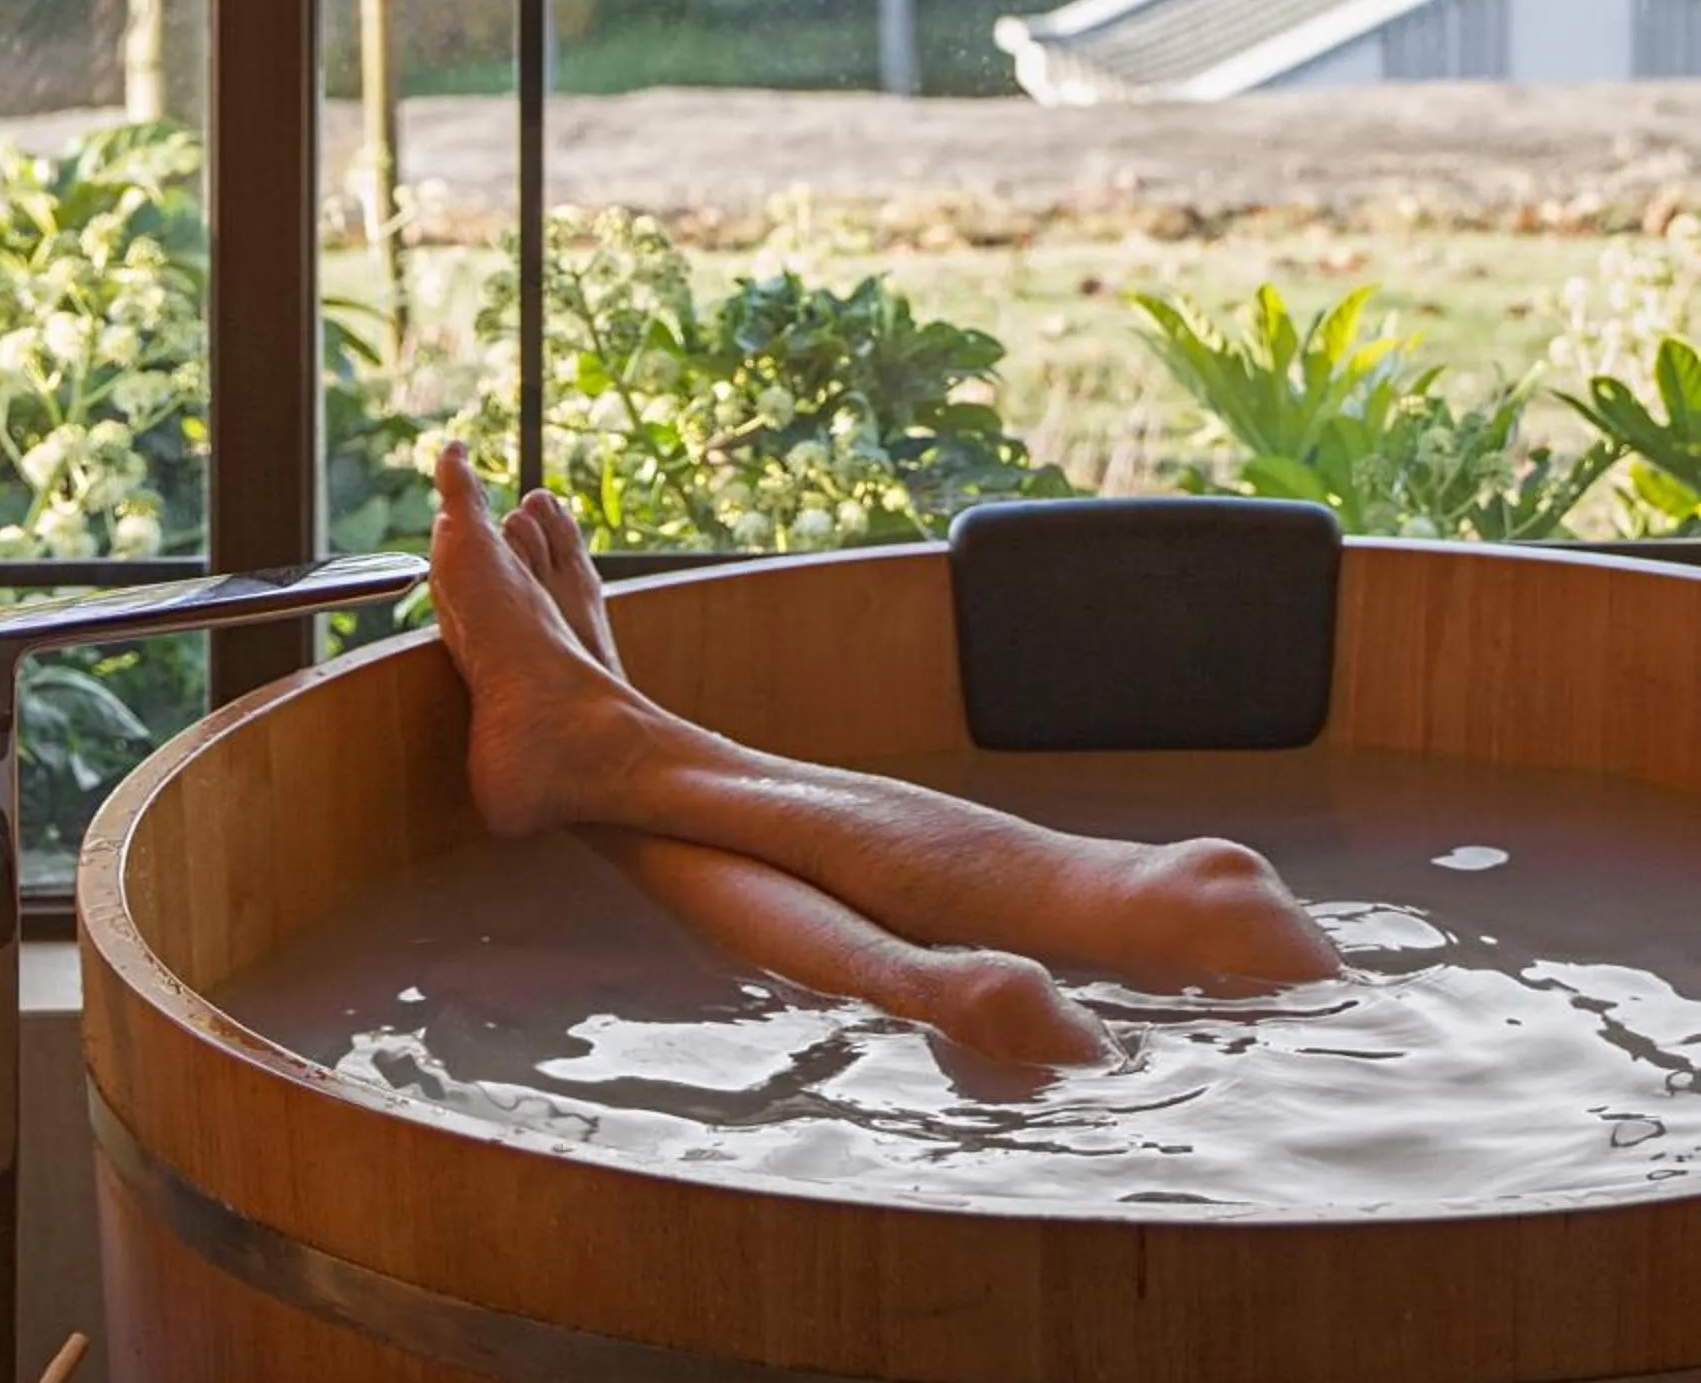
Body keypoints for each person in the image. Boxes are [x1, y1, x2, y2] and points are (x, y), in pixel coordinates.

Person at [428, 443, 1338, 1068]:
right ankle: (603, 744)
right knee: (1226, 901)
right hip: (1397, 1076)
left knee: (1005, 1017)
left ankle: (605, 751)